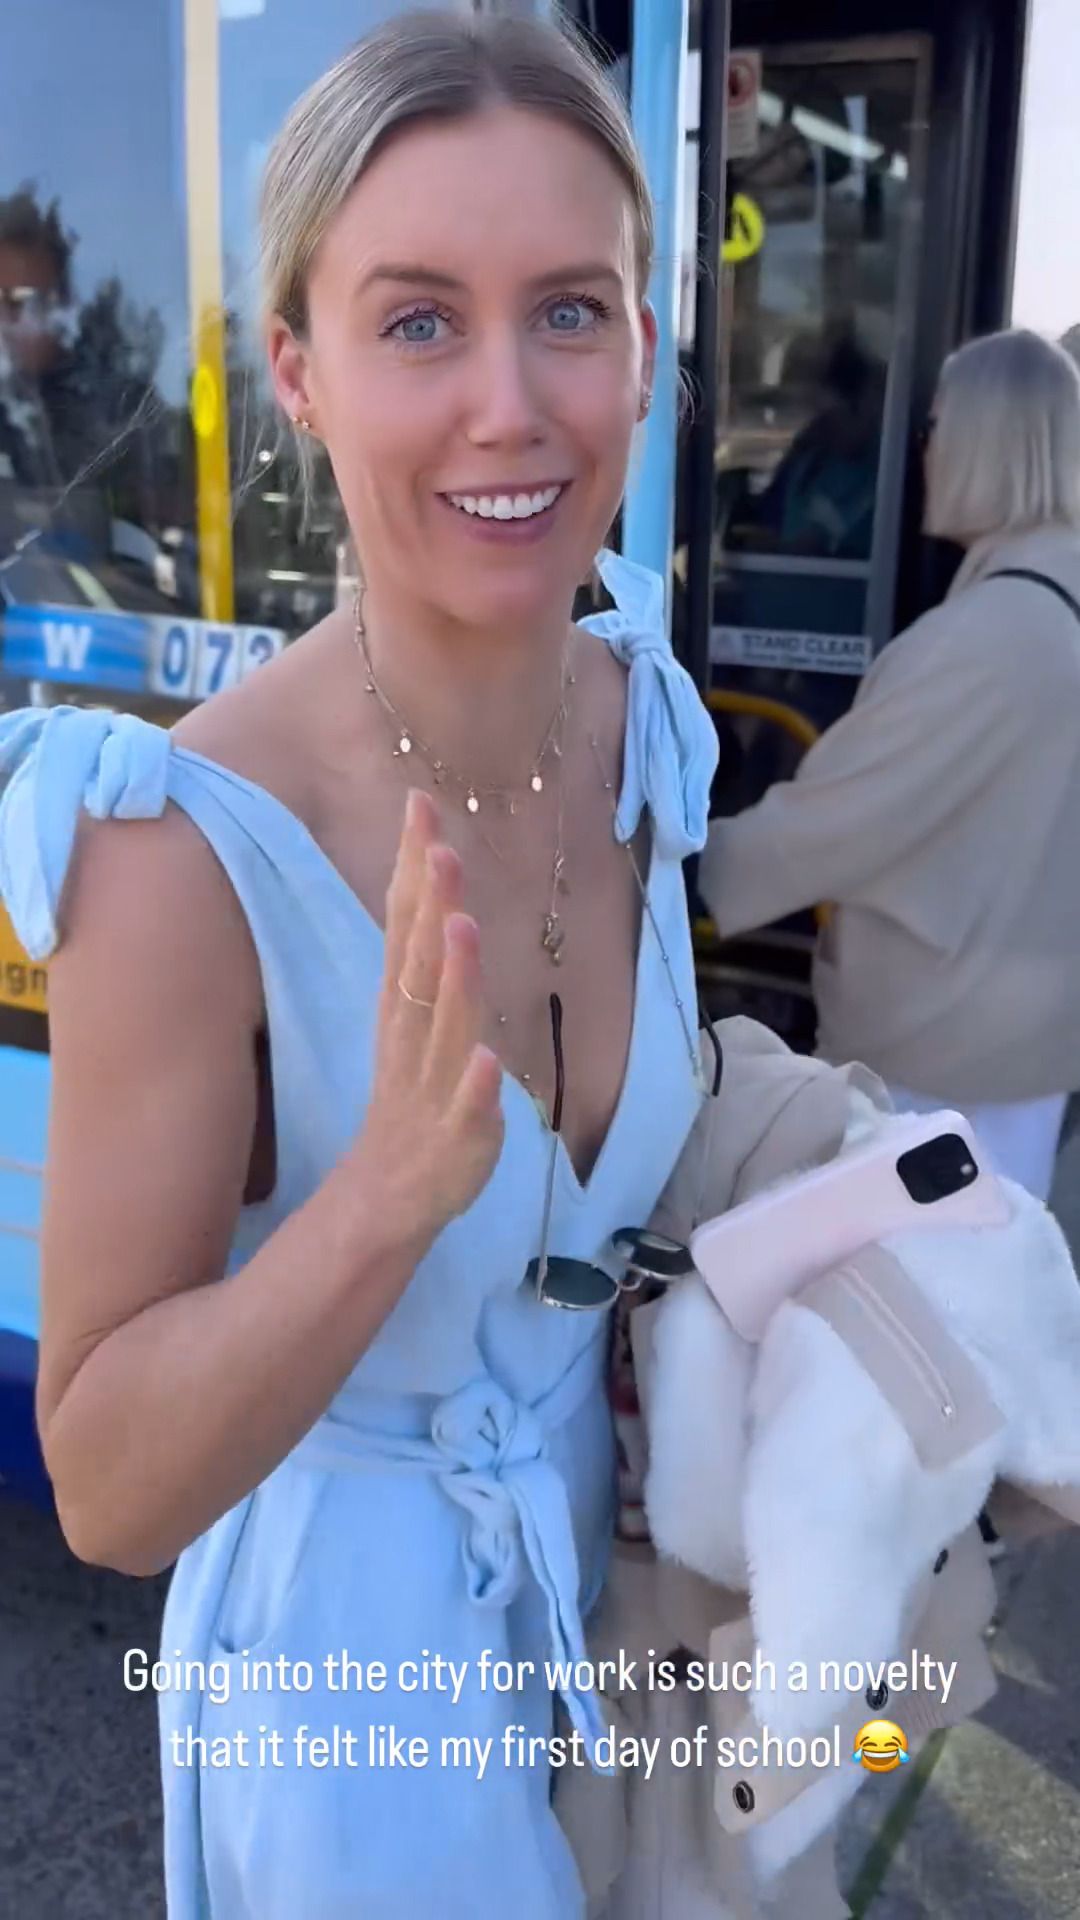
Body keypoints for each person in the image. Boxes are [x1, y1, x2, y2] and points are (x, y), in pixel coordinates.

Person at [0, 14, 720, 1919]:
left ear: (647, 348)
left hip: (602, 1612)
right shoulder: (180, 844)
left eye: (569, 311)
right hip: (349, 1713)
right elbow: (108, 1488)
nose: (511, 404)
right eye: (417, 322)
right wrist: (383, 1200)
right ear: (299, 374)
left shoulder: (643, 716)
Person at [698, 327, 1080, 1200]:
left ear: (987, 441)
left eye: (935, 426)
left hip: (944, 1060)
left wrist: (668, 872)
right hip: (1028, 1043)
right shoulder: (1053, 603)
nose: (922, 452)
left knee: (910, 1279)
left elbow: (835, 824)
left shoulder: (986, 639)